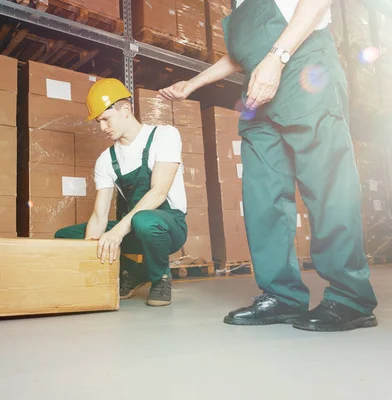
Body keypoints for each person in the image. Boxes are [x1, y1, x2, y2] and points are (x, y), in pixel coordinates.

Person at [159, 0, 377, 331]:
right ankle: (282, 295)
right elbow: (238, 55)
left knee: (327, 185)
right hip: (257, 89)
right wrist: (191, 85)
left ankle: (351, 297)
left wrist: (277, 58)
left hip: (303, 69)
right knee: (264, 195)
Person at [55, 78, 188, 307]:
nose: (102, 128)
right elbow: (99, 216)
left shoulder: (164, 136)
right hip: (132, 229)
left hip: (167, 227)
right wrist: (91, 254)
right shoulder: (106, 160)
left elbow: (158, 193)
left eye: (105, 120)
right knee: (66, 237)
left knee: (144, 220)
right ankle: (135, 272)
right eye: (98, 122)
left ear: (125, 110)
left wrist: (116, 234)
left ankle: (161, 278)